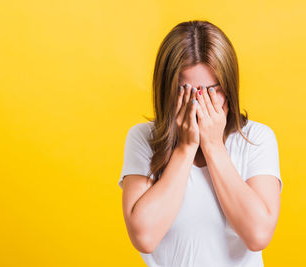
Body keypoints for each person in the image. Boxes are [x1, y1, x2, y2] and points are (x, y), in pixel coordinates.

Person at [118, 20, 283, 267]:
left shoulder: (257, 138)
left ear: (228, 89)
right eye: (185, 90)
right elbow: (144, 236)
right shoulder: (142, 138)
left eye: (210, 91)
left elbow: (258, 234)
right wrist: (185, 148)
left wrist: (214, 146)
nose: (197, 102)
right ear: (167, 90)